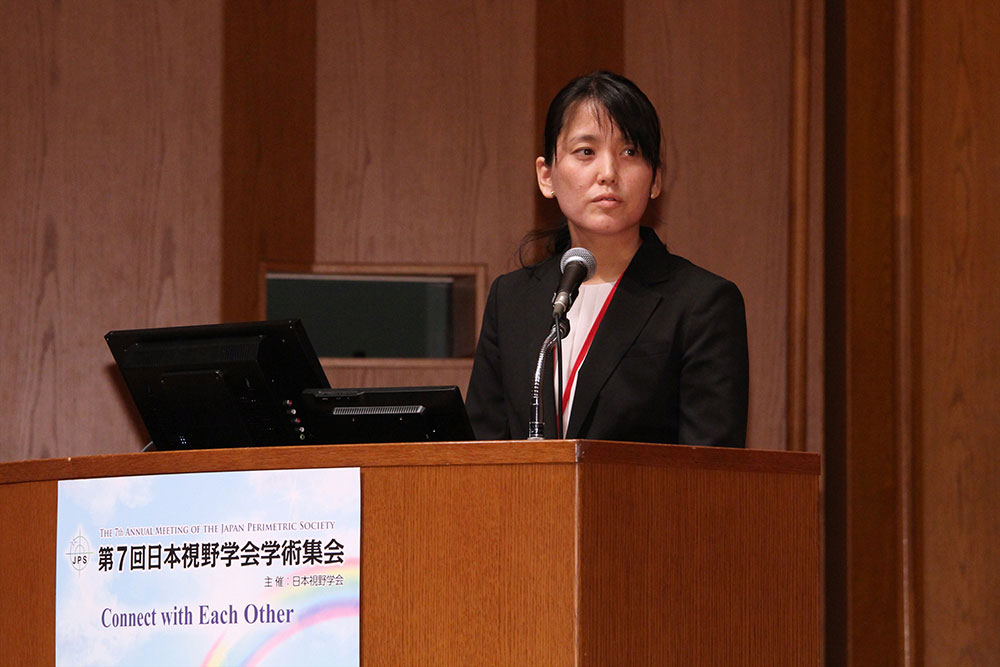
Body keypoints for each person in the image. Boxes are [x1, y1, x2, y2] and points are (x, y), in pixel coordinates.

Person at [465, 71, 748, 447]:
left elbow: (710, 463)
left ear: (655, 179)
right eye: (586, 151)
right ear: (546, 176)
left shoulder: (702, 303)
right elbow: (480, 451)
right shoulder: (511, 299)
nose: (609, 173)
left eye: (629, 152)